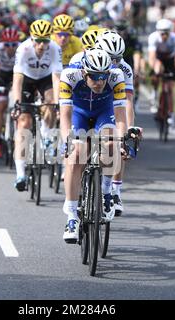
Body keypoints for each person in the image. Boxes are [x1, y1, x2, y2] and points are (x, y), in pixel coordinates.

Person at [59, 48, 129, 243]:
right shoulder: (69, 75)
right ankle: (72, 216)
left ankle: (106, 192)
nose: (99, 81)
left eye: (103, 76)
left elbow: (121, 116)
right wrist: (67, 141)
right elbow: (64, 115)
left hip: (103, 112)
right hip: (78, 113)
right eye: (94, 76)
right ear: (84, 72)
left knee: (112, 142)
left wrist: (122, 140)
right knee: (77, 153)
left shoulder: (116, 76)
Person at [11, 19, 62, 191]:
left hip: (45, 79)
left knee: (51, 102)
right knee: (24, 124)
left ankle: (47, 136)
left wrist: (57, 103)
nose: (41, 45)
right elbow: (17, 79)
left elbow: (56, 79)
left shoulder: (55, 48)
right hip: (27, 79)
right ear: (31, 39)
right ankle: (20, 174)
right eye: (38, 40)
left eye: (45, 40)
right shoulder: (23, 49)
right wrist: (17, 104)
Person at [95, 30, 142, 216]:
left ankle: (115, 191)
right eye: (110, 58)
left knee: (119, 143)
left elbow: (127, 101)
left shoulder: (124, 69)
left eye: (118, 58)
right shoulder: (89, 61)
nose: (114, 63)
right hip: (90, 103)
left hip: (112, 104)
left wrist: (129, 127)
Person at [147, 18, 175, 134]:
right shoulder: (153, 37)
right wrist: (153, 71)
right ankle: (154, 93)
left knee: (171, 87)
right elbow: (152, 56)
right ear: (158, 32)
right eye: (162, 32)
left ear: (170, 32)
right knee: (156, 70)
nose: (164, 35)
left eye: (166, 32)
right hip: (158, 58)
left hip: (170, 60)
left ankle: (171, 116)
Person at [0, 27, 20, 159]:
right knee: (0, 106)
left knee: (18, 105)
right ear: (3, 44)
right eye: (7, 44)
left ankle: (18, 138)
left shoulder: (21, 49)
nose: (10, 47)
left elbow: (22, 72)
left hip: (16, 74)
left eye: (13, 44)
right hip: (1, 75)